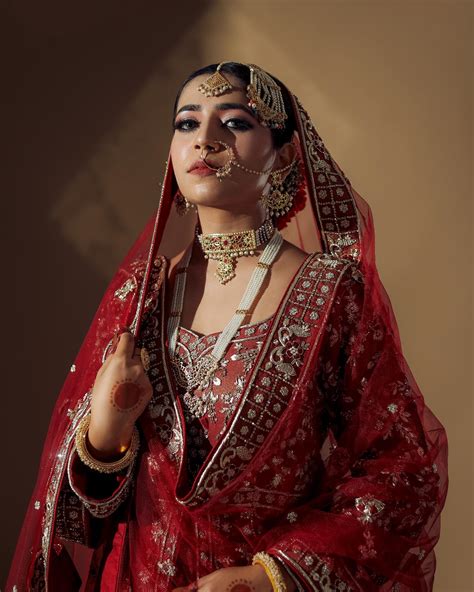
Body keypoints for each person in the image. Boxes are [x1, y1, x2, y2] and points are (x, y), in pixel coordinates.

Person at [6, 62, 448, 592]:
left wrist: (263, 579)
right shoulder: (140, 296)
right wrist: (106, 432)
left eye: (235, 122)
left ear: (285, 155)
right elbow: (78, 520)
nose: (205, 139)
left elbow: (402, 471)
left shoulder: (333, 293)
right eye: (187, 123)